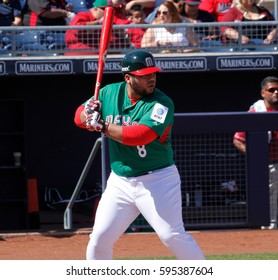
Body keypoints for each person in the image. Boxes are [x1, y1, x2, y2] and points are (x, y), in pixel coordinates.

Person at [74, 50, 205, 260]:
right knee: (99, 237)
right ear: (128, 77)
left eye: (152, 73)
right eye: (144, 75)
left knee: (171, 235)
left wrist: (102, 125)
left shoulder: (162, 103)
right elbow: (78, 118)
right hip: (120, 182)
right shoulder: (108, 93)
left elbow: (140, 136)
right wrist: (87, 113)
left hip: (158, 180)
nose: (151, 78)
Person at [233, 76, 278, 230]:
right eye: (271, 90)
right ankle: (269, 234)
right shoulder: (256, 111)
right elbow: (238, 139)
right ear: (263, 93)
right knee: (270, 203)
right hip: (268, 165)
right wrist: (255, 156)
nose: (276, 92)